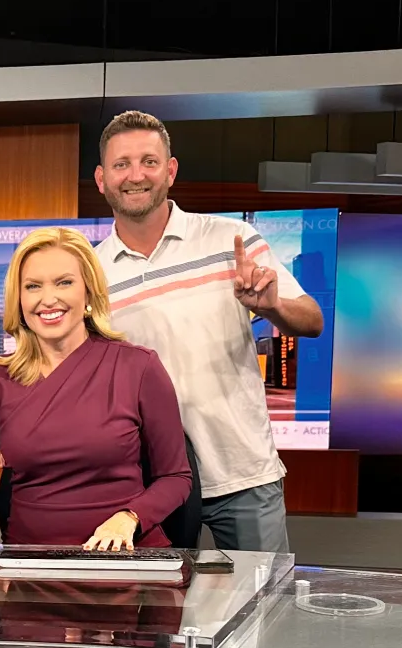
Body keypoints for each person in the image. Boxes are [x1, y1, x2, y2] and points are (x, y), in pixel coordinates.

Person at [92, 110, 325, 553]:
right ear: (102, 179)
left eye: (149, 161)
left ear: (171, 171)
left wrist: (272, 306)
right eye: (122, 164)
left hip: (243, 474)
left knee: (263, 613)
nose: (135, 175)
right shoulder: (91, 272)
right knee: (160, 618)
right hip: (148, 487)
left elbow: (311, 319)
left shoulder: (231, 239)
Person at [0, 227, 191, 554]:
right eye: (33, 286)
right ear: (19, 299)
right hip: (31, 563)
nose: (48, 299)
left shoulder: (139, 367)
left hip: (124, 558)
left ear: (88, 292)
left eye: (64, 282)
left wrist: (130, 517)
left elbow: (176, 477)